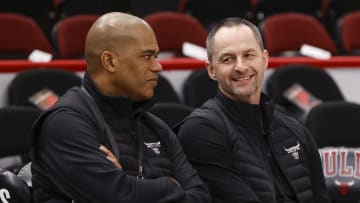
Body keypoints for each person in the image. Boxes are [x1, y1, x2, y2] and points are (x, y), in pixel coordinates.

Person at [30, 12, 210, 203]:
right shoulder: (65, 123)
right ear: (109, 61)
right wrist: (172, 185)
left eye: (156, 56)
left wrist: (127, 183)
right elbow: (117, 197)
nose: (158, 66)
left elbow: (200, 196)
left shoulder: (155, 127)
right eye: (147, 56)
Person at [175, 17, 330, 203]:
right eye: (227, 59)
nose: (240, 67)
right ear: (211, 70)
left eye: (249, 55)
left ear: (264, 59)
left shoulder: (294, 128)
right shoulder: (200, 131)